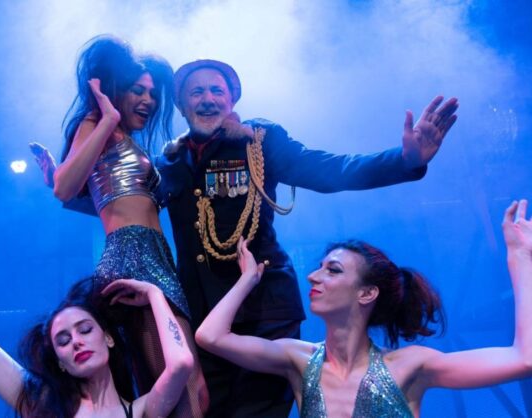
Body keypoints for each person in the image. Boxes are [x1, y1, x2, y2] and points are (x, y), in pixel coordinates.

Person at [154, 59, 459, 417]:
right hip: (201, 316)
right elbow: (117, 203)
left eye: (216, 90)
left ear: (232, 100)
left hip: (264, 311)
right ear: (181, 105)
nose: (207, 99)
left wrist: (405, 160)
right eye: (196, 92)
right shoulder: (168, 161)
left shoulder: (259, 141)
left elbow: (330, 169)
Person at [196, 199, 532, 417]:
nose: (313, 276)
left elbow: (524, 359)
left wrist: (520, 258)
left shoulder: (410, 366)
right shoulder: (297, 360)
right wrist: (248, 280)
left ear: (367, 293)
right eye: (319, 267)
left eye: (333, 270)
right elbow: (210, 336)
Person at [29, 35, 207, 416]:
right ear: (114, 91)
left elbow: (114, 201)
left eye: (152, 93)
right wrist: (107, 117)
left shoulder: (129, 141)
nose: (148, 100)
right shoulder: (98, 122)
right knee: (185, 388)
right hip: (132, 258)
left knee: (183, 388)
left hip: (156, 258)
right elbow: (64, 188)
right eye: (137, 91)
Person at [0, 236, 195, 417]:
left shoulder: (140, 411)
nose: (76, 341)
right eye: (63, 340)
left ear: (109, 338)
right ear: (60, 361)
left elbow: (181, 363)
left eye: (85, 330)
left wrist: (154, 294)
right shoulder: (42, 404)